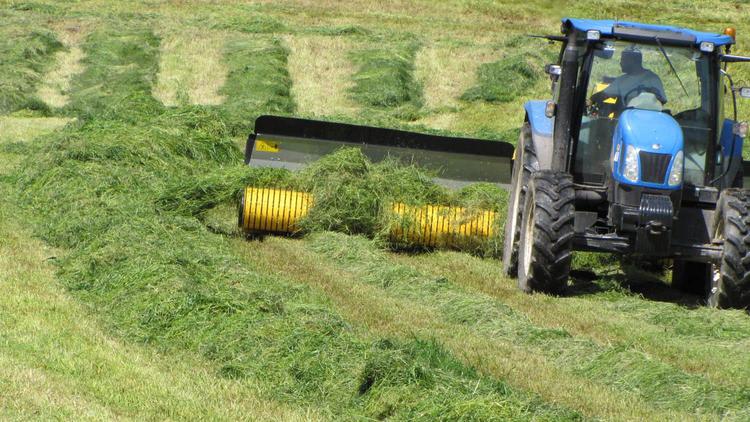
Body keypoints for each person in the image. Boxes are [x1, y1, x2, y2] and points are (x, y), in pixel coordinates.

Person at [593, 47, 667, 110]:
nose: (620, 63)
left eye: (623, 60)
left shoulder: (653, 79)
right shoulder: (621, 80)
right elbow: (603, 95)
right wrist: (591, 100)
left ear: (633, 61)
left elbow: (662, 100)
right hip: (627, 117)